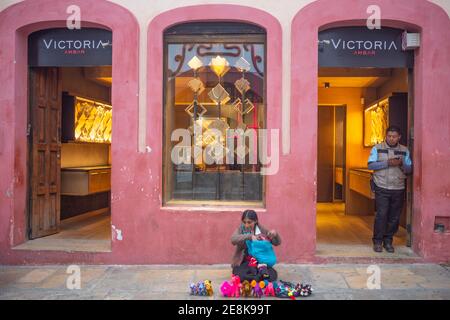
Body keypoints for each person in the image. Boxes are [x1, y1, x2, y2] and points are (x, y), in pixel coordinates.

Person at [368, 125, 412, 253]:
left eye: (394, 136)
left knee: (394, 217)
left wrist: (402, 162)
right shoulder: (377, 148)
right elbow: (370, 165)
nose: (391, 139)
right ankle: (377, 241)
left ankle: (388, 241)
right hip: (381, 186)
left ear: (399, 137)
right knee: (381, 215)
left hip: (398, 187)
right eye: (389, 136)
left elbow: (409, 169)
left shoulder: (405, 150)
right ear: (385, 136)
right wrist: (387, 163)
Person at [231, 209, 281, 282]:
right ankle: (257, 277)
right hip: (246, 260)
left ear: (256, 221)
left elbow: (276, 243)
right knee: (239, 273)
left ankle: (255, 277)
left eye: (249, 222)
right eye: (244, 222)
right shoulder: (241, 229)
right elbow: (233, 239)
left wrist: (275, 235)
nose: (246, 225)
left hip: (259, 261)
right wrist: (250, 236)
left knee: (272, 274)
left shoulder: (260, 229)